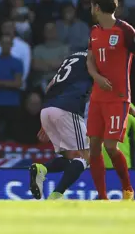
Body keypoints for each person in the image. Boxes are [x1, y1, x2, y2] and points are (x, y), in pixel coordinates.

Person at [86, 0, 135, 200]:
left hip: (117, 98)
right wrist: (96, 76)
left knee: (111, 146)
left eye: (92, 6)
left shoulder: (125, 30)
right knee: (94, 147)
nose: (91, 10)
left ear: (97, 7)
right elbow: (89, 59)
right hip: (97, 98)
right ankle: (102, 196)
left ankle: (127, 189)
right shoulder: (94, 31)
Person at [29, 51, 92, 200]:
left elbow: (49, 86)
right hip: (68, 109)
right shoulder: (95, 58)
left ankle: (42, 168)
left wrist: (47, 123)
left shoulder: (71, 58)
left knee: (71, 158)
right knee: (85, 157)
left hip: (47, 109)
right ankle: (57, 195)